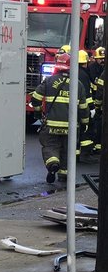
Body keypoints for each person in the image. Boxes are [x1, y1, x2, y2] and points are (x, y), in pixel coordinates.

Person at [31, 54, 90, 183]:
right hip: (71, 126)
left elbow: (35, 99)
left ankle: (53, 164)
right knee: (67, 150)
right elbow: (83, 107)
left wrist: (37, 112)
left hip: (51, 125)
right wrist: (85, 122)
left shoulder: (49, 81)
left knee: (50, 146)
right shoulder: (78, 85)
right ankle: (64, 175)